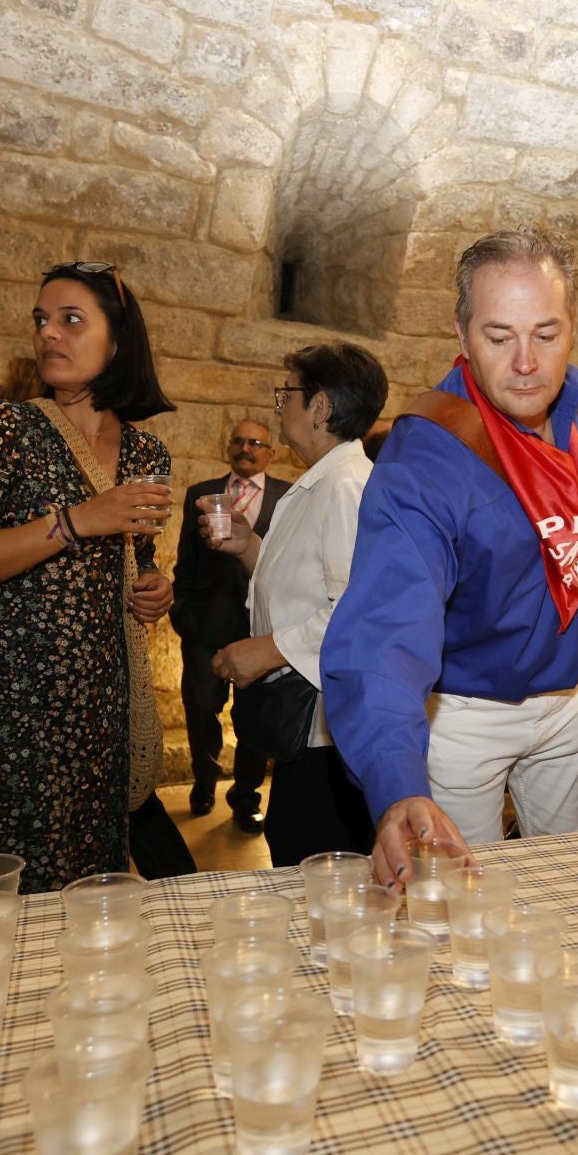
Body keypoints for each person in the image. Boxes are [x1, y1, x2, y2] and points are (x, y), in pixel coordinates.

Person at [322, 229, 578, 885]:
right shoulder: (425, 459)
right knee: (462, 907)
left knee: (564, 884)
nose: (527, 363)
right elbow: (385, 628)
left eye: (547, 334)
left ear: (572, 328)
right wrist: (397, 784)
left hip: (569, 699)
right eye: (499, 338)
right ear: (462, 333)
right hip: (466, 715)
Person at [0, 261, 193, 893]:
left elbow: (135, 555)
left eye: (72, 320)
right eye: (41, 320)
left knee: (87, 889)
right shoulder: (2, 430)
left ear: (118, 341)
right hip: (6, 704)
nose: (49, 333)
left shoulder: (146, 453)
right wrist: (76, 521)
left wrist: (152, 588)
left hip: (99, 706)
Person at [197, 343, 389, 866]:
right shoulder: (321, 479)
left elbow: (359, 607)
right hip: (307, 727)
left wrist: (268, 650)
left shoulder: (346, 486)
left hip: (328, 731)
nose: (280, 407)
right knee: (296, 850)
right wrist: (249, 547)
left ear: (320, 407)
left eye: (287, 396)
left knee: (318, 863)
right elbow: (306, 581)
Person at [171, 420, 287, 832]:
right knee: (201, 708)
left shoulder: (288, 496)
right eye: (238, 440)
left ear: (271, 452)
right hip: (204, 625)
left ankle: (246, 797)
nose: (246, 448)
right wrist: (181, 611)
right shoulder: (200, 494)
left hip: (259, 626)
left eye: (256, 442)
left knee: (254, 714)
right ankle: (204, 781)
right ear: (228, 447)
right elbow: (186, 559)